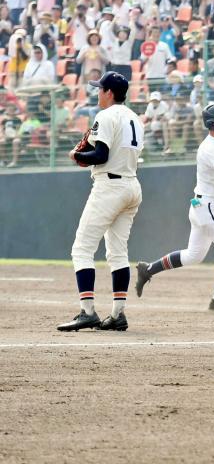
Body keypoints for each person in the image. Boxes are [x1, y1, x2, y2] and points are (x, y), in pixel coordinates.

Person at [134, 103, 214, 310]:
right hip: (209, 205)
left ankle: (148, 269)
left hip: (204, 205)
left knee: (193, 255)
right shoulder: (209, 146)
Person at [57, 72, 145, 332]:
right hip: (132, 184)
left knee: (81, 249)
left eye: (99, 89)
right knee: (118, 252)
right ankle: (118, 315)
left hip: (110, 186)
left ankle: (87, 312)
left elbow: (101, 155)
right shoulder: (135, 118)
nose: (97, 93)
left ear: (108, 92)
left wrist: (77, 154)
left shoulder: (106, 116)